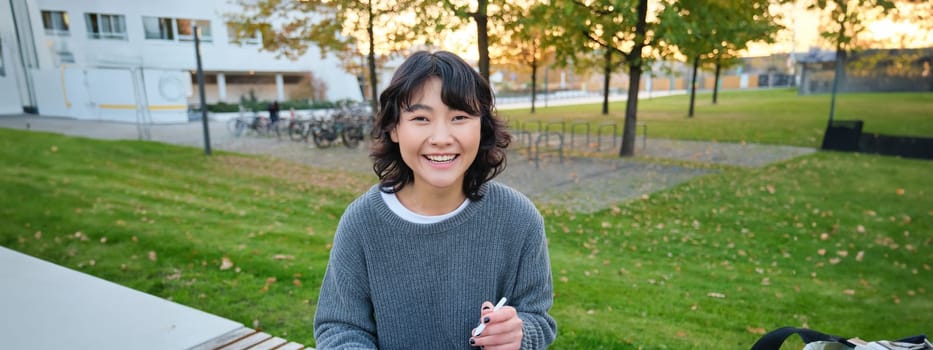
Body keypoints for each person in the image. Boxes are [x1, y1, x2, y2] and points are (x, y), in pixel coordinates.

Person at [313, 51, 557, 349]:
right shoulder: (362, 222)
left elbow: (538, 319)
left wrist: (519, 335)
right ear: (394, 129)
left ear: (482, 126)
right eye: (420, 118)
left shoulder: (519, 218)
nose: (441, 137)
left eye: (459, 117)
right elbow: (340, 326)